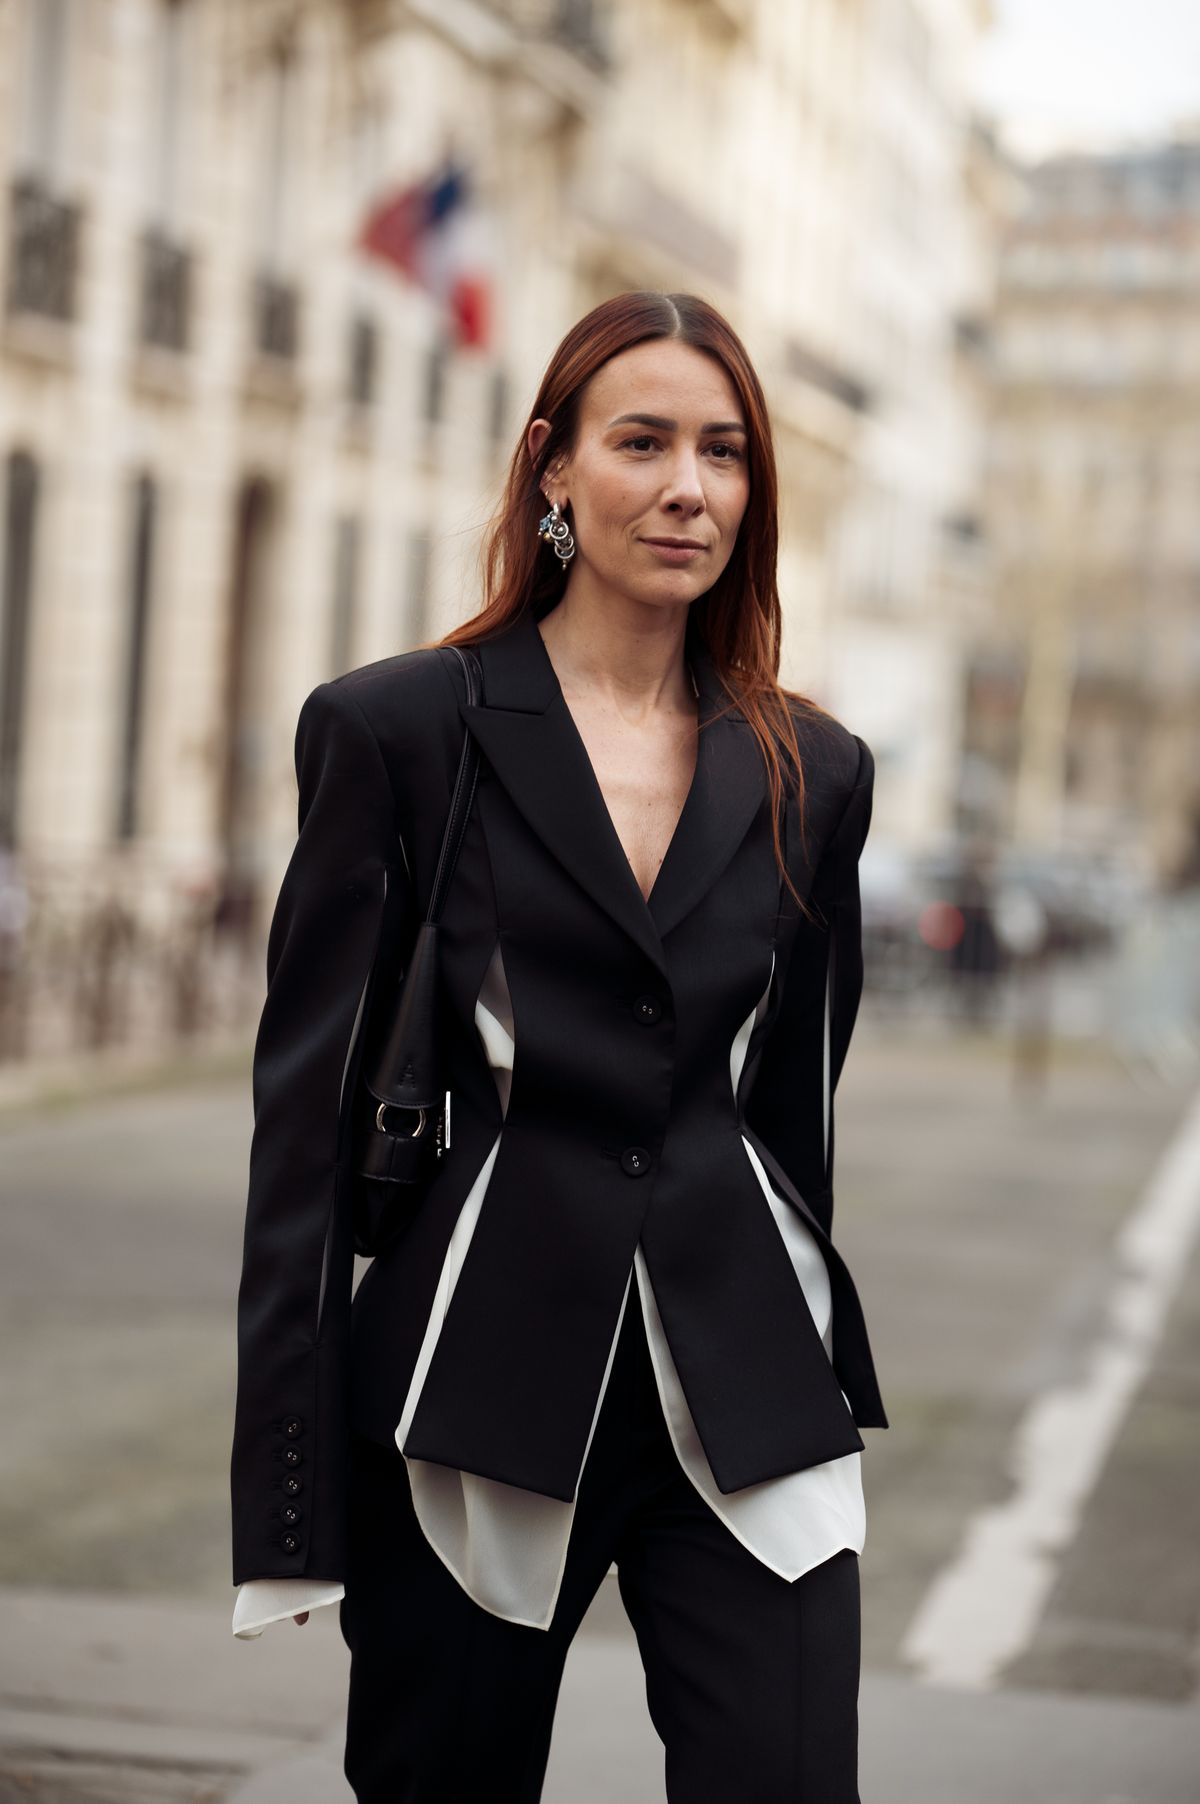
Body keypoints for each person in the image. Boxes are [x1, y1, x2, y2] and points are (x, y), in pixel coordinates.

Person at [229, 290, 888, 1802]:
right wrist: (289, 1506)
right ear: (553, 469)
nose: (689, 487)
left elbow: (797, 1113)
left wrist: (792, 1334)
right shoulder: (401, 731)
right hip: (475, 1384)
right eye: (643, 441)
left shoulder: (819, 771)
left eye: (724, 453)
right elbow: (304, 1142)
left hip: (746, 1390)